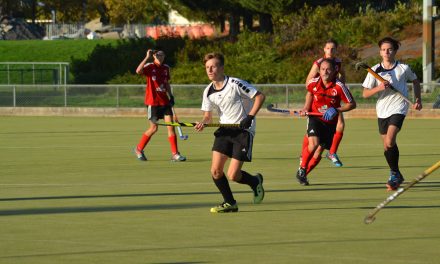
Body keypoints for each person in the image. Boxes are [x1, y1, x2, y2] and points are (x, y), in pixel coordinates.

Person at [194, 52, 265, 213]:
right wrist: (203, 123)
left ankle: (254, 181)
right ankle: (230, 202)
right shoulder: (208, 91)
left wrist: (250, 117)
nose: (210, 70)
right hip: (224, 130)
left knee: (233, 175)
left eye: (213, 66)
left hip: (243, 131)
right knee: (216, 171)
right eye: (207, 67)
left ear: (222, 67)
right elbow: (207, 116)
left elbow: (260, 97)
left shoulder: (235, 84)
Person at [362, 37, 422, 191]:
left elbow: (415, 81)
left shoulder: (403, 68)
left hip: (399, 107)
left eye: (389, 49)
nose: (386, 52)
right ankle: (397, 174)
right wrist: (379, 88)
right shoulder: (374, 70)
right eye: (383, 49)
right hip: (382, 110)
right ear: (380, 52)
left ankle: (394, 174)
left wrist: (417, 99)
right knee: (387, 146)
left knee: (389, 141)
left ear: (395, 51)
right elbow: (365, 94)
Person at [296, 58, 356, 186]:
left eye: (328, 69)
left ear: (335, 70)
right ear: (319, 70)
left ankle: (304, 174)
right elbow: (310, 94)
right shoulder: (313, 83)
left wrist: (336, 109)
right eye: (323, 69)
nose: (325, 72)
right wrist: (306, 108)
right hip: (315, 118)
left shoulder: (339, 86)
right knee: (313, 144)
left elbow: (352, 104)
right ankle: (302, 168)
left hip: (330, 122)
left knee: (319, 151)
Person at [133, 49, 186, 162]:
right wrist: (147, 56)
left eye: (161, 54)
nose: (159, 56)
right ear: (154, 56)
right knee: (153, 128)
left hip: (165, 102)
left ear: (164, 56)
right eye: (157, 55)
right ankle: (138, 149)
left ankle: (175, 154)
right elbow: (138, 71)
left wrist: (171, 96)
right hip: (152, 102)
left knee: (171, 127)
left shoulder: (166, 68)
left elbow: (166, 83)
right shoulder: (150, 66)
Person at [304, 39, 346, 167]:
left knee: (341, 124)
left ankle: (332, 152)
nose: (330, 51)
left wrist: (340, 86)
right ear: (324, 49)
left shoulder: (338, 62)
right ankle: (305, 155)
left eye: (333, 49)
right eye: (328, 48)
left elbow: (342, 75)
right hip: (319, 98)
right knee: (313, 134)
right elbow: (308, 83)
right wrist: (320, 84)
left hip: (332, 98)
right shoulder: (318, 63)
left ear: (336, 50)